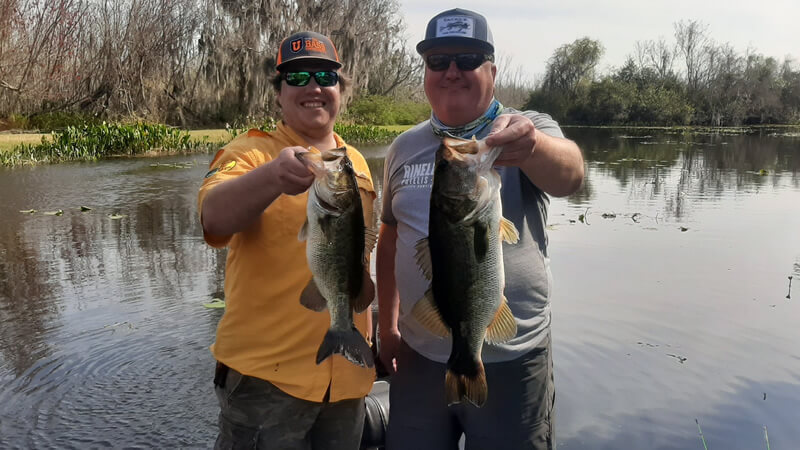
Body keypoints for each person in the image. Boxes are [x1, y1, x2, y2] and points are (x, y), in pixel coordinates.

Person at [376, 8, 585, 450]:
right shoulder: (404, 147)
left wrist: (533, 148)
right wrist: (388, 326)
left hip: (512, 357)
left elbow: (571, 176)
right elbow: (390, 238)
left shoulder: (526, 130)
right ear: (426, 72)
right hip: (417, 354)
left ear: (492, 69)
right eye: (438, 61)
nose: (452, 71)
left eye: (468, 58)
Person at [198, 31, 376, 449]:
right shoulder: (248, 153)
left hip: (347, 376)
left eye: (324, 75)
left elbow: (359, 257)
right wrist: (271, 178)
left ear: (340, 90)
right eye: (296, 78)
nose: (313, 86)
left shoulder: (357, 163)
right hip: (266, 381)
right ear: (278, 93)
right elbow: (213, 218)